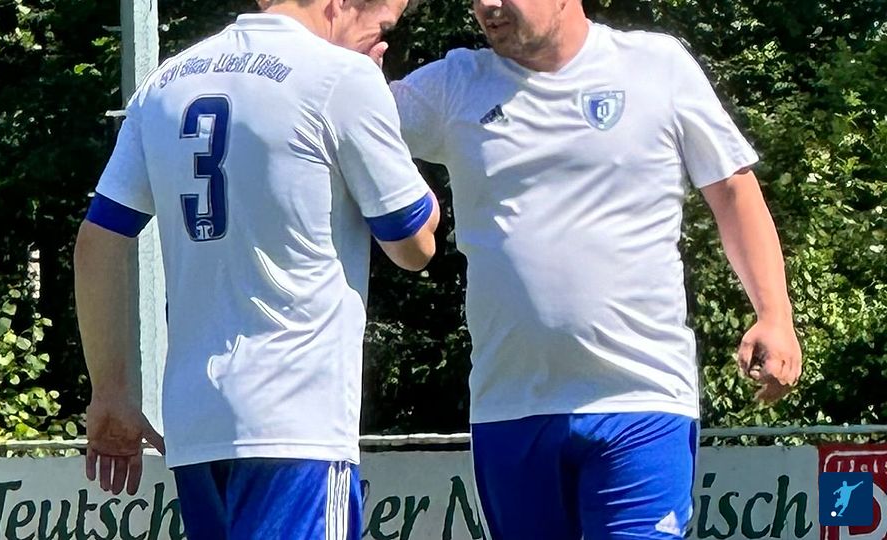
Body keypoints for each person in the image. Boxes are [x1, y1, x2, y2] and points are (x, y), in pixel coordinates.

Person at [386, 0, 802, 537]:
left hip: (642, 398)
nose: (487, 5)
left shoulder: (656, 67)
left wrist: (775, 314)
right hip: (510, 407)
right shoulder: (454, 85)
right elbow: (342, 118)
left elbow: (731, 191)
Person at [73, 0, 440, 537]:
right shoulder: (343, 78)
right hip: (297, 423)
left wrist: (110, 391)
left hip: (197, 426)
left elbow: (98, 240)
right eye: (382, 26)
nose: (382, 44)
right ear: (339, 4)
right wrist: (379, 118)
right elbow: (414, 245)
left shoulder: (166, 82)